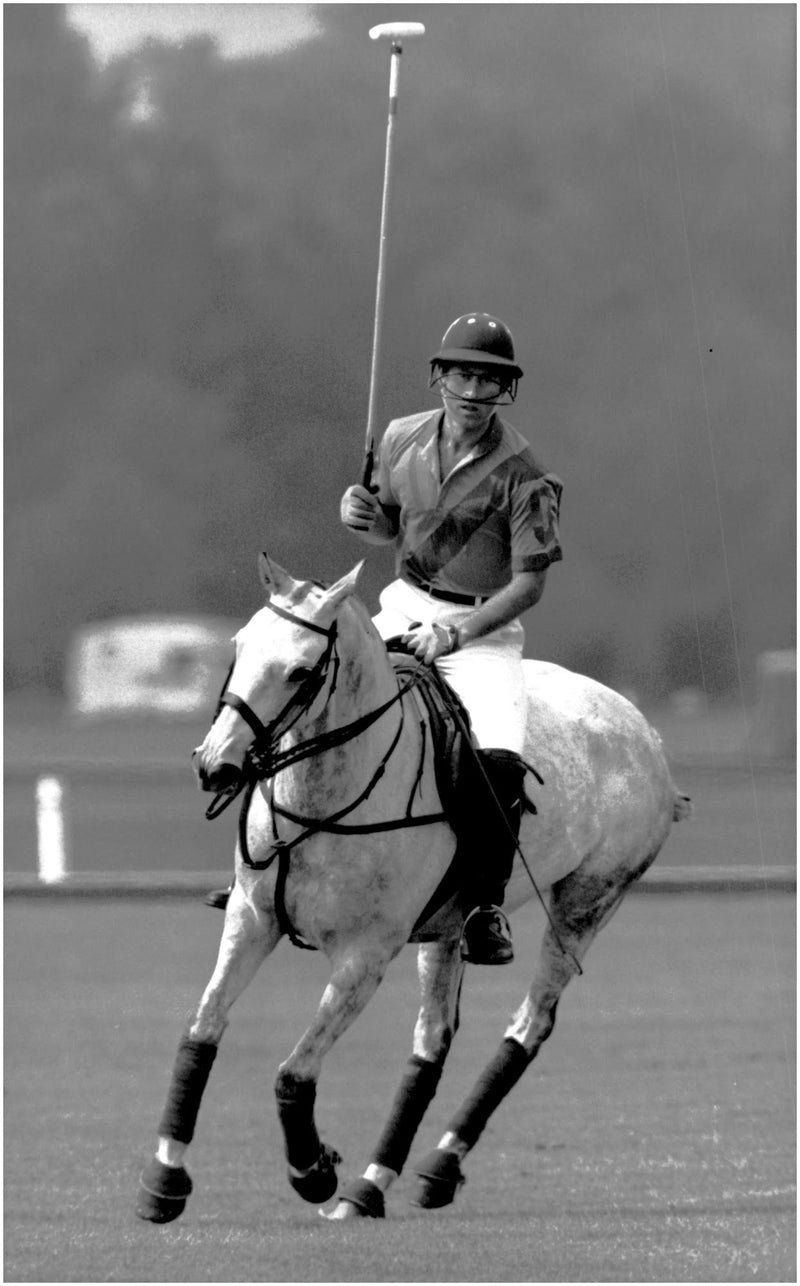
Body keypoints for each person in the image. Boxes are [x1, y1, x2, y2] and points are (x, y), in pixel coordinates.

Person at [339, 312, 563, 964]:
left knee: (497, 758)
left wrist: (456, 632)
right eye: (464, 374)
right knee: (315, 690)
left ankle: (485, 909)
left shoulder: (528, 476)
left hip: (482, 633)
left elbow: (528, 587)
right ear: (440, 377)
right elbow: (388, 529)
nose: (474, 391)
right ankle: (273, 855)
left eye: (490, 380)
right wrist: (361, 517)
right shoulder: (400, 438)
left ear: (505, 390)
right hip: (402, 605)